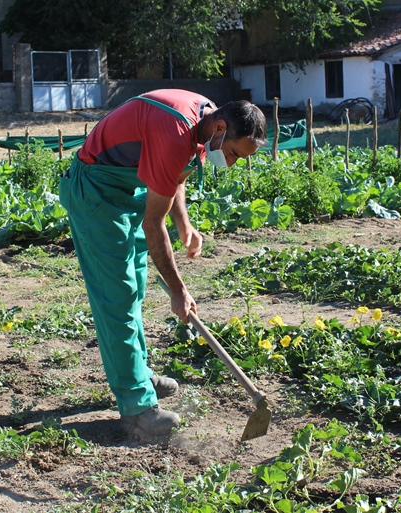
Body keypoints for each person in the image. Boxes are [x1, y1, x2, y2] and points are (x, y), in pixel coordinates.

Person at [59, 89, 267, 440]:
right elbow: (153, 223)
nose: (230, 163)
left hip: (127, 190)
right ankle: (137, 408)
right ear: (220, 128)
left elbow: (175, 174)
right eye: (232, 153)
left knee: (135, 287)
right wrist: (178, 290)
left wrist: (184, 226)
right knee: (117, 297)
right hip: (95, 191)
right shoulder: (175, 131)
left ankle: (137, 371)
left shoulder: (204, 117)